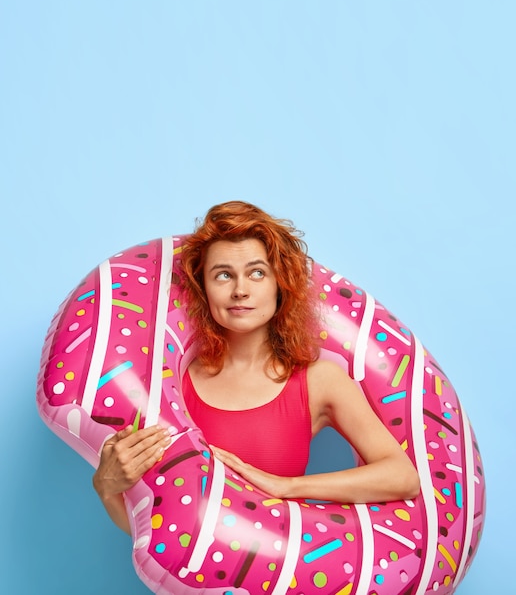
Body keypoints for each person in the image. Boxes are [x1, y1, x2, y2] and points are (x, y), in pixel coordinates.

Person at [93, 201, 420, 534]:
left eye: (257, 272)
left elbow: (401, 477)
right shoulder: (174, 385)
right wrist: (107, 490)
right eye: (223, 275)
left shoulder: (319, 379)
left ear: (279, 283)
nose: (240, 290)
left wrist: (284, 487)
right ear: (203, 288)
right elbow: (157, 531)